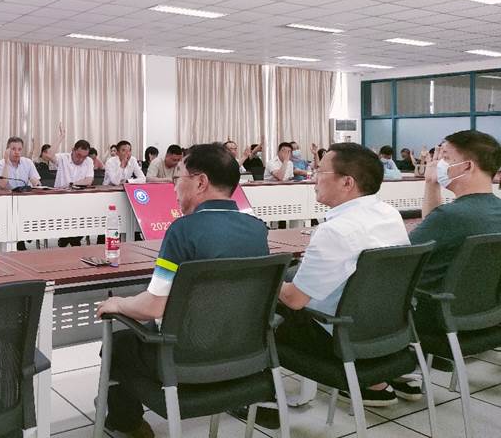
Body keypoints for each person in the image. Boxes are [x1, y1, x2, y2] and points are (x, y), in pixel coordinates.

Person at [95, 143, 269, 437]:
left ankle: (126, 421)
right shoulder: (257, 229)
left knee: (118, 344)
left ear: (200, 182)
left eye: (178, 178)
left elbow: (154, 306)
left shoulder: (183, 230)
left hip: (185, 359)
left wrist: (119, 304)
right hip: (243, 355)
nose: (174, 188)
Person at [276, 143, 409, 406]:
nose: (314, 178)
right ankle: (376, 382)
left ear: (347, 182)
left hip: (337, 337)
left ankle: (252, 395)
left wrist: (268, 282)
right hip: (384, 329)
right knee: (292, 275)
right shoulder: (390, 214)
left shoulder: (335, 231)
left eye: (320, 172)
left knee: (261, 300)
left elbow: (294, 300)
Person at [410, 130, 501, 325]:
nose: (439, 165)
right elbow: (432, 227)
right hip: (486, 314)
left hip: (434, 316)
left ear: (467, 166)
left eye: (446, 158)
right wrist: (431, 183)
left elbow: (406, 258)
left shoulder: (450, 216)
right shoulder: (489, 211)